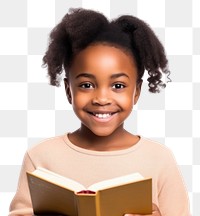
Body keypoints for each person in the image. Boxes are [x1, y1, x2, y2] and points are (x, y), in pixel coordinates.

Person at [9, 8, 190, 216]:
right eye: (86, 85)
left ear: (137, 91)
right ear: (69, 91)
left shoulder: (159, 159)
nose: (102, 99)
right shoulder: (40, 158)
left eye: (118, 86)